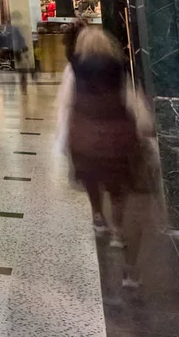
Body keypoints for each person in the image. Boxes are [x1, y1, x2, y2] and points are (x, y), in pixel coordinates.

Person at [60, 25, 151, 290]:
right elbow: (132, 99)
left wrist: (63, 136)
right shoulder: (119, 67)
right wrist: (144, 126)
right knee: (120, 190)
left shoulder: (74, 68)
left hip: (86, 135)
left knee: (91, 178)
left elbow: (65, 102)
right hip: (117, 135)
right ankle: (121, 238)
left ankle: (98, 213)